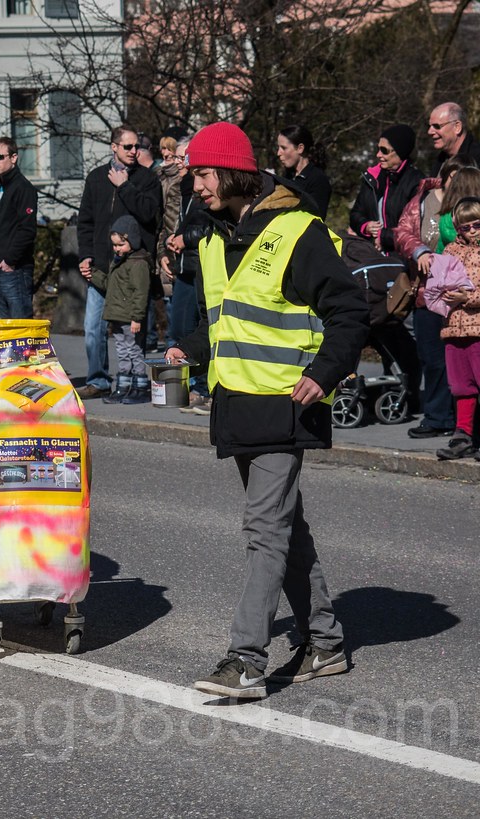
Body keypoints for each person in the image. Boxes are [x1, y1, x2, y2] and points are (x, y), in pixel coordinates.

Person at [165, 122, 368, 699]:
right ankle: (325, 644)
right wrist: (193, 347)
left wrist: (322, 374)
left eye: (203, 173)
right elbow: (230, 318)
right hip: (238, 405)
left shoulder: (296, 232)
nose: (197, 185)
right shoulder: (214, 239)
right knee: (286, 528)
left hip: (286, 405)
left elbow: (350, 310)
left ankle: (247, 659)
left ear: (231, 170)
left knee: (264, 530)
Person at [76, 124, 163, 398]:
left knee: (133, 333)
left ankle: (136, 382)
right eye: (128, 146)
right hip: (102, 267)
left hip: (133, 269)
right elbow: (86, 222)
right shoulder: (95, 178)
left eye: (137, 146)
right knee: (93, 328)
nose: (134, 151)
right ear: (114, 147)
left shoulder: (147, 179)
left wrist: (124, 186)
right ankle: (99, 380)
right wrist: (85, 255)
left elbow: (151, 216)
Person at [394, 155, 476, 438]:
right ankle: (439, 416)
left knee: (462, 364)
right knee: (433, 357)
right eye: (449, 177)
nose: (452, 183)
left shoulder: (468, 215)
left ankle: (460, 424)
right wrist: (420, 251)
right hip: (429, 291)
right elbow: (403, 230)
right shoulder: (423, 200)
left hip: (460, 295)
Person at [161, 140, 212, 414]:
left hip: (196, 266)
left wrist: (184, 239)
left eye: (184, 158)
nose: (180, 163)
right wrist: (165, 253)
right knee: (179, 331)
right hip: (181, 266)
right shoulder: (182, 190)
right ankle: (188, 385)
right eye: (178, 158)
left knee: (199, 329)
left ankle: (202, 389)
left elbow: (205, 229)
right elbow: (170, 225)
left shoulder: (206, 189)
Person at [432, 198, 480, 461]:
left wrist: (467, 298)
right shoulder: (449, 251)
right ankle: (462, 435)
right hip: (453, 327)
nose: (471, 231)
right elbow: (435, 285)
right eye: (465, 227)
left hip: (478, 329)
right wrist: (440, 292)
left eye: (477, 225)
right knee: (461, 386)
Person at [85, 215, 151, 404]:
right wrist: (94, 275)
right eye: (114, 245)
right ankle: (124, 385)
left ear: (132, 241)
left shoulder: (138, 264)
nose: (117, 249)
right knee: (123, 351)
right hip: (117, 316)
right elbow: (110, 285)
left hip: (130, 317)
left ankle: (140, 386)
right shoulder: (120, 262)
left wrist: (137, 318)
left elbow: (141, 293)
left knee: (134, 351)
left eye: (120, 244)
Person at [349, 124, 424, 254]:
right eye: (378, 149)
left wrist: (382, 236)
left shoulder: (416, 182)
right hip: (373, 256)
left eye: (384, 150)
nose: (378, 154)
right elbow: (356, 213)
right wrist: (366, 226)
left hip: (402, 259)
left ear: (400, 151)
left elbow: (414, 228)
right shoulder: (373, 177)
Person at [0, 136, 38, 319]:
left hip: (14, 269)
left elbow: (27, 229)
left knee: (20, 328)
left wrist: (10, 260)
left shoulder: (23, 188)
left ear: (13, 158)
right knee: (3, 330)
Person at [276, 124, 331, 220]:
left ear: (300, 148)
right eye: (278, 148)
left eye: (284, 148)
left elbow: (315, 218)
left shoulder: (318, 180)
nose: (278, 153)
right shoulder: (287, 177)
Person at [428, 102, 480, 176]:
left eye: (436, 126)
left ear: (457, 127)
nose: (429, 132)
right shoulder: (441, 159)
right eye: (429, 126)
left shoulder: (476, 160)